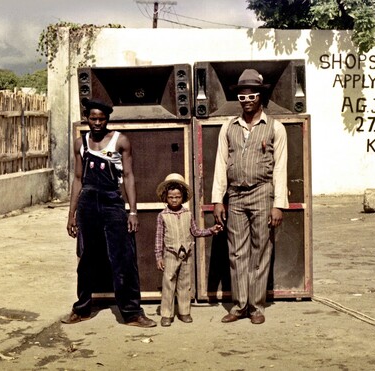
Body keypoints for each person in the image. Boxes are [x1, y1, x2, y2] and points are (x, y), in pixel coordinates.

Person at [62, 98, 156, 328]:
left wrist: (132, 211)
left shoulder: (120, 141)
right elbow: (76, 179)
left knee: (123, 258)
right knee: (86, 258)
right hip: (87, 203)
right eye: (93, 118)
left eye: (101, 119)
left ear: (107, 120)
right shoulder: (79, 143)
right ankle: (82, 308)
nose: (96, 123)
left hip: (112, 201)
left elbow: (130, 176)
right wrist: (71, 213)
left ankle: (132, 313)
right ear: (87, 118)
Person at [211, 69, 289, 325]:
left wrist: (278, 205)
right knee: (236, 252)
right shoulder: (228, 127)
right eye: (242, 97)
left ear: (261, 97)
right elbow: (221, 164)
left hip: (262, 193)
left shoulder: (275, 128)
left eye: (252, 96)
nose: (247, 101)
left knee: (261, 250)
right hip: (235, 196)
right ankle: (239, 305)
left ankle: (256, 307)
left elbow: (280, 168)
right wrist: (217, 200)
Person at [154, 173, 222, 327]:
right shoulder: (162, 216)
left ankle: (184, 312)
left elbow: (196, 232)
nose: (174, 200)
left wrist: (211, 230)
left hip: (186, 255)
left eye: (177, 197)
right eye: (171, 197)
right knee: (168, 284)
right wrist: (159, 256)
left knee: (185, 284)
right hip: (170, 254)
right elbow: (158, 238)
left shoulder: (188, 214)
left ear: (182, 197)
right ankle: (166, 314)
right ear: (166, 197)